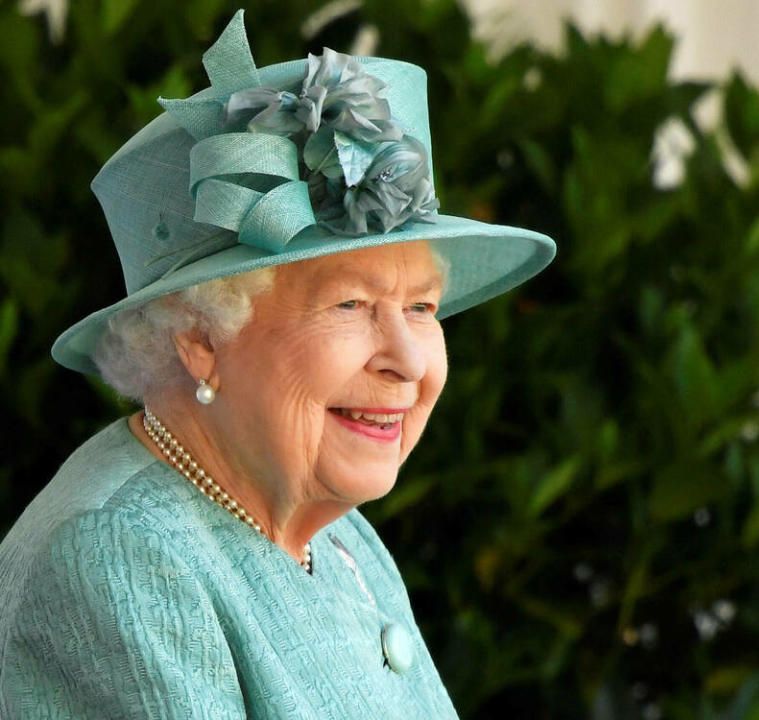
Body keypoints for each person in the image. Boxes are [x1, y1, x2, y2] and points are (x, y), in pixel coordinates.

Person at [0, 11, 554, 719]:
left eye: (422, 308)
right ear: (200, 337)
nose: (410, 361)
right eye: (351, 304)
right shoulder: (118, 560)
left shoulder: (328, 524)